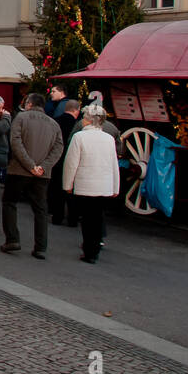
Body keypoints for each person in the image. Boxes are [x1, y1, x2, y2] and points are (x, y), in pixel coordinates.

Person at [4, 92, 64, 259]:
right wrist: (43, 167)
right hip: (42, 174)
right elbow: (58, 148)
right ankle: (41, 247)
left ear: (29, 104)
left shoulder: (21, 118)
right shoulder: (54, 124)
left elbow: (15, 142)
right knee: (40, 209)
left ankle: (13, 239)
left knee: (10, 202)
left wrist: (30, 165)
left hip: (19, 170)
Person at [62, 104, 120, 263]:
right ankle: (95, 247)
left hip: (85, 184)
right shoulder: (108, 139)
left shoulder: (79, 137)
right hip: (104, 185)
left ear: (87, 120)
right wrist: (115, 186)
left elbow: (71, 163)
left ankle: (89, 251)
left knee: (87, 219)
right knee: (98, 217)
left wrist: (67, 184)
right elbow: (113, 163)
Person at [50, 99, 82, 224]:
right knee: (71, 189)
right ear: (76, 110)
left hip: (56, 158)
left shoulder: (55, 121)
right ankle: (72, 218)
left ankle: (57, 216)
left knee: (57, 188)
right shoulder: (78, 125)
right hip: (71, 158)